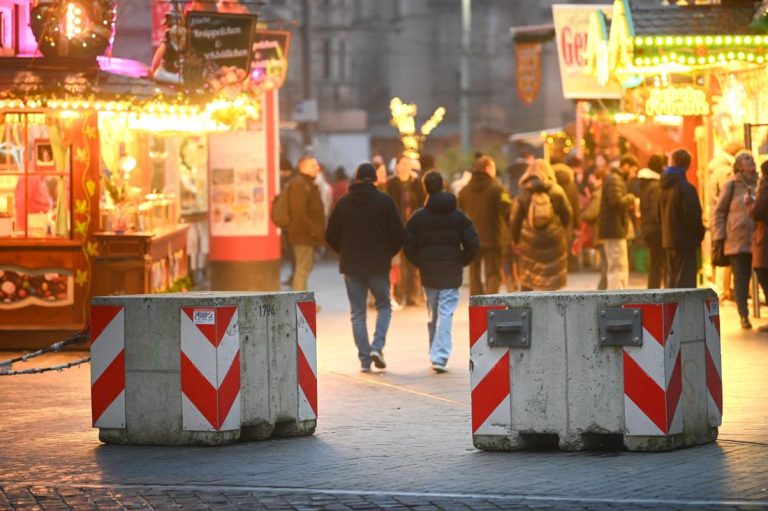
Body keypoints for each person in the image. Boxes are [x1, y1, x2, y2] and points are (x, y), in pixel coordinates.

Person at [325, 163, 405, 372]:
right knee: (384, 306)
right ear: (375, 180)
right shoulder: (385, 202)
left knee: (358, 313)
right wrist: (387, 252)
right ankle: (377, 347)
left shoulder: (343, 203)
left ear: (357, 179)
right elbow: (398, 233)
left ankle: (364, 360)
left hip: (351, 265)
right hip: (378, 264)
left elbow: (330, 234)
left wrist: (344, 250)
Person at [404, 171, 479, 372]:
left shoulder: (418, 217)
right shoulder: (458, 216)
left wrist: (419, 262)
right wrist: (461, 261)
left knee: (433, 313)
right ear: (444, 186)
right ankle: (440, 354)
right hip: (451, 271)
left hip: (428, 273)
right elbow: (473, 242)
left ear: (425, 188)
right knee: (446, 314)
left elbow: (408, 244)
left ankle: (436, 352)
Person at [510, 159, 572, 290]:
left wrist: (515, 240)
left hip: (529, 241)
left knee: (529, 279)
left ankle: (527, 307)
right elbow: (568, 215)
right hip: (554, 239)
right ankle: (552, 308)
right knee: (552, 279)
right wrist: (562, 230)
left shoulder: (523, 192)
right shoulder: (556, 190)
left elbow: (515, 220)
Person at [713, 150, 757, 329]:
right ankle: (743, 314)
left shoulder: (760, 182)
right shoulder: (730, 185)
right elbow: (719, 212)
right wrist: (719, 237)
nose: (751, 161)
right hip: (737, 240)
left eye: (751, 158)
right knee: (741, 278)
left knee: (763, 276)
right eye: (746, 159)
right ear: (738, 165)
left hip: (759, 240)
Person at [457, 155, 512, 295]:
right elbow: (508, 212)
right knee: (493, 272)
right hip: (493, 238)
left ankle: (477, 304)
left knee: (474, 273)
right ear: (488, 169)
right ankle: (491, 302)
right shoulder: (498, 189)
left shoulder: (464, 191)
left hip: (470, 239)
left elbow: (459, 214)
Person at [660, 148, 705, 290]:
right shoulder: (686, 188)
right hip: (685, 241)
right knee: (685, 284)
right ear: (688, 165)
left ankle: (671, 311)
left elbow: (658, 215)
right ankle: (683, 311)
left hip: (668, 240)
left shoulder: (663, 188)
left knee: (671, 281)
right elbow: (693, 216)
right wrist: (700, 234)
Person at [386, 155, 426, 306]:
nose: (405, 166)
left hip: (414, 228)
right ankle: (399, 294)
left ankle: (412, 295)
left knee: (413, 263)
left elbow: (423, 205)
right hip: (396, 228)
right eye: (402, 163)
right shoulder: (391, 184)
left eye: (408, 164)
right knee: (398, 264)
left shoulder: (417, 183)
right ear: (396, 166)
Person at [598, 155, 638, 290]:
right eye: (633, 170)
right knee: (617, 267)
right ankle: (617, 300)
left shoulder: (615, 179)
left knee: (617, 266)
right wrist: (631, 198)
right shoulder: (615, 180)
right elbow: (616, 202)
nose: (633, 174)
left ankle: (617, 297)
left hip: (615, 229)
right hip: (614, 230)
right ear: (625, 166)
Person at [285, 155, 326, 291]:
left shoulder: (307, 183)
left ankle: (302, 301)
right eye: (313, 165)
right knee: (302, 268)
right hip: (302, 235)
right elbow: (299, 213)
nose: (317, 168)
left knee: (305, 267)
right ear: (304, 167)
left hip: (307, 234)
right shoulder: (299, 184)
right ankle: (300, 302)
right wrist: (313, 229)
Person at [637, 154, 667, 289]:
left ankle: (653, 290)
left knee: (655, 263)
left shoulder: (646, 184)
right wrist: (664, 225)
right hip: (656, 230)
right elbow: (657, 211)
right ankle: (655, 292)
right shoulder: (656, 186)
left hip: (648, 228)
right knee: (658, 264)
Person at [749, 159, 768, 333]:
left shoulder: (765, 189)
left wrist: (749, 204)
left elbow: (757, 212)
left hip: (765, 241)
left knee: (764, 275)